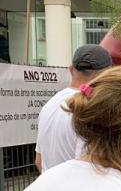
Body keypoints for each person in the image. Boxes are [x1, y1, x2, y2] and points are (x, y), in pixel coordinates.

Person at [34, 44, 113, 172]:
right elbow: (92, 169)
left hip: (50, 188)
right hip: (79, 190)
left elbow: (39, 161)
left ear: (71, 69)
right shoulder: (94, 108)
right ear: (108, 74)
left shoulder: (50, 105)